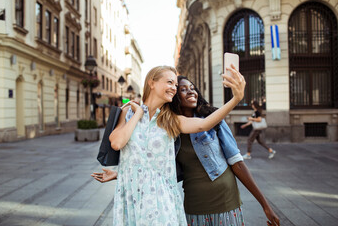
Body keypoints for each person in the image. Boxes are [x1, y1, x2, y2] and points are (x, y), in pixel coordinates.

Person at [92, 74, 280, 226]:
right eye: (180, 88)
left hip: (223, 198)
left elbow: (234, 160)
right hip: (191, 202)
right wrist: (121, 174)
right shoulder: (161, 121)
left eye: (192, 88)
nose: (189, 91)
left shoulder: (197, 119)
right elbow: (155, 163)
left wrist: (265, 204)